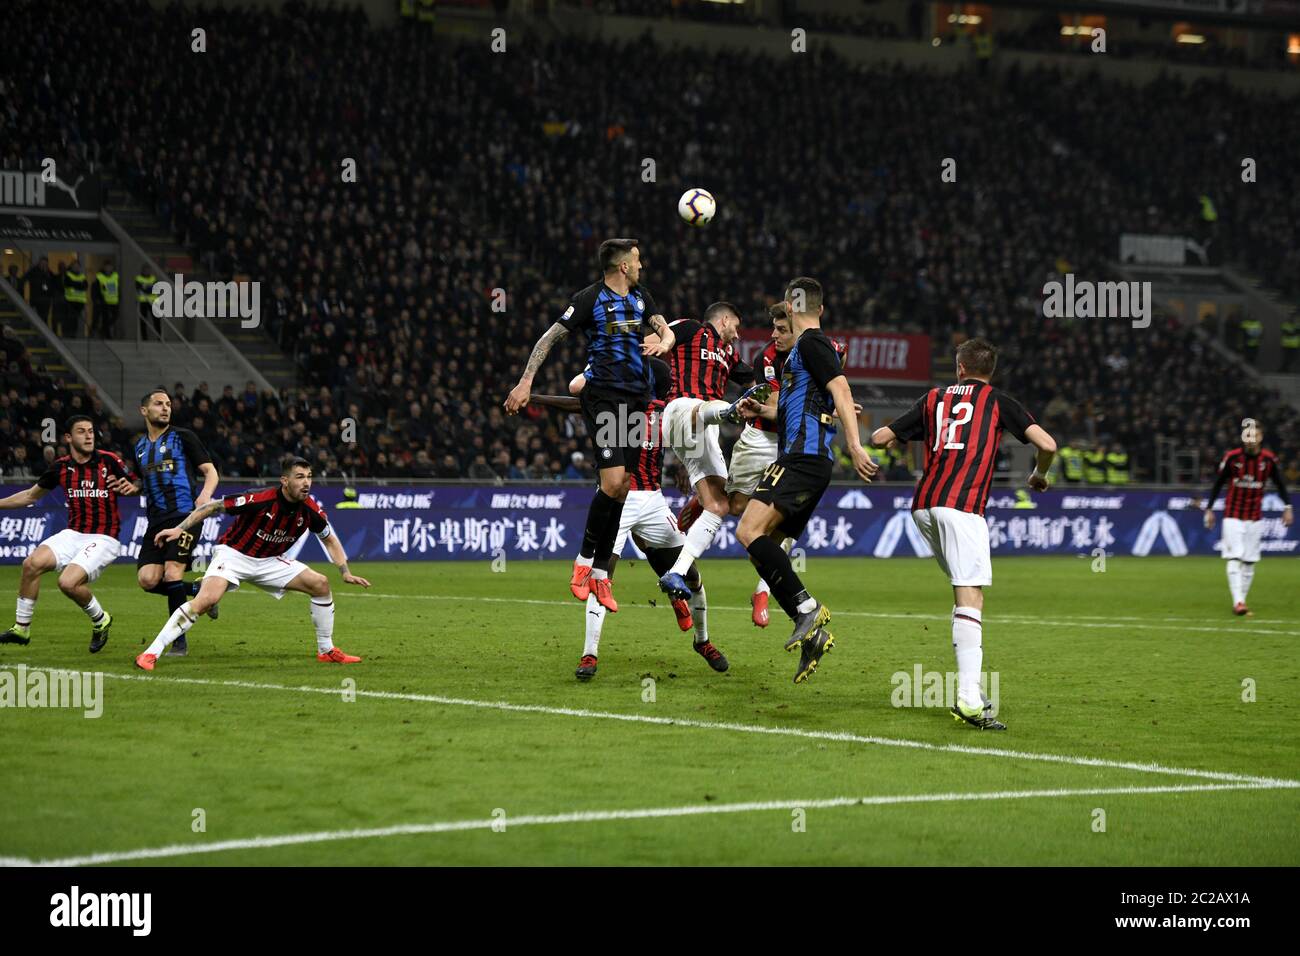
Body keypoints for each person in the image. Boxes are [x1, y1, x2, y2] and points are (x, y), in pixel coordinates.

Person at [871, 337, 1057, 731]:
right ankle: (970, 698)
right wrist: (1039, 474)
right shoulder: (997, 401)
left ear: (959, 367)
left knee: (964, 592)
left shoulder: (933, 398)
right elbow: (1048, 444)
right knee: (970, 594)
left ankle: (971, 690)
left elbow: (880, 438)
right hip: (962, 507)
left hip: (924, 507)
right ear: (990, 372)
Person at [504, 238, 675, 615]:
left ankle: (601, 574)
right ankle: (583, 564)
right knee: (613, 484)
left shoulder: (641, 296)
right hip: (604, 396)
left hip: (635, 399)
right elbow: (550, 337)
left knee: (622, 488)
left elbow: (665, 330)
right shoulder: (588, 299)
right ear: (623, 267)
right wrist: (526, 381)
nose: (642, 266)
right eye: (637, 260)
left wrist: (665, 339)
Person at [530, 358, 727, 680]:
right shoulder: (620, 405)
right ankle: (589, 654)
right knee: (602, 575)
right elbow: (578, 404)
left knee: (689, 572)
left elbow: (687, 439)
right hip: (617, 497)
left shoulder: (666, 411)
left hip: (651, 499)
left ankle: (702, 641)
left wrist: (682, 466)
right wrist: (536, 398)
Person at [735, 277, 878, 683]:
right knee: (761, 547)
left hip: (804, 459)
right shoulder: (798, 353)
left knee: (748, 530)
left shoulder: (813, 343)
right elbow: (807, 406)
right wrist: (760, 412)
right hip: (802, 458)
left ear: (791, 305)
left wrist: (854, 443)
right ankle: (812, 633)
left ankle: (806, 609)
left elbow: (841, 389)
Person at [136, 458, 370, 670]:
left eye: (309, 477)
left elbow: (329, 539)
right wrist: (179, 529)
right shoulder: (259, 499)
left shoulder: (311, 510)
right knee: (206, 601)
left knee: (320, 584)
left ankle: (326, 650)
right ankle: (150, 653)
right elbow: (212, 507)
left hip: (269, 562)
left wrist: (345, 572)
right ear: (285, 480)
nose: (306, 482)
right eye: (300, 477)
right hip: (234, 555)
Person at [653, 301, 766, 603]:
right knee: (711, 409)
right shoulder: (692, 328)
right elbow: (657, 336)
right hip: (681, 407)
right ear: (726, 319)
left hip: (701, 431)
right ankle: (731, 410)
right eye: (737, 328)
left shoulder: (729, 355)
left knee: (719, 505)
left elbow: (759, 380)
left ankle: (677, 570)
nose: (738, 335)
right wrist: (652, 346)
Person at [0, 416, 137, 653]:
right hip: (73, 533)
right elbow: (30, 496)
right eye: (82, 431)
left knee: (67, 582)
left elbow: (137, 482)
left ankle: (100, 619)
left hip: (104, 536)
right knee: (31, 563)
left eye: (91, 431)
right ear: (68, 438)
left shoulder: (109, 460)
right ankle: (22, 629)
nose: (88, 435)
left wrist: (134, 487)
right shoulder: (60, 467)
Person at [131, 388, 221, 655]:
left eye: (168, 404)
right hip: (156, 521)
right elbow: (145, 481)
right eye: (159, 404)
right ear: (144, 410)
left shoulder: (183, 437)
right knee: (148, 580)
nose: (165, 408)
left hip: (185, 517)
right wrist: (131, 487)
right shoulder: (138, 447)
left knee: (172, 572)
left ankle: (178, 640)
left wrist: (205, 495)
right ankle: (199, 589)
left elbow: (210, 471)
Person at [721, 302, 793, 627]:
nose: (774, 335)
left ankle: (763, 590)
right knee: (736, 507)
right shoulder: (767, 357)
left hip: (792, 448)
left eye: (782, 330)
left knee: (781, 524)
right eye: (774, 328)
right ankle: (707, 496)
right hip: (760, 440)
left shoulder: (817, 357)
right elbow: (775, 408)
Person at [1203, 418, 1292, 616]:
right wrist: (1209, 509)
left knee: (1250, 561)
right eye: (1247, 435)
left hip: (1255, 518)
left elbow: (1280, 485)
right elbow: (1218, 484)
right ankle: (1239, 603)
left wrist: (1287, 507)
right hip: (1233, 515)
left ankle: (1241, 600)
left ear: (1261, 437)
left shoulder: (1269, 460)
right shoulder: (1232, 458)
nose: (1251, 439)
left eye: (1255, 435)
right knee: (1235, 556)